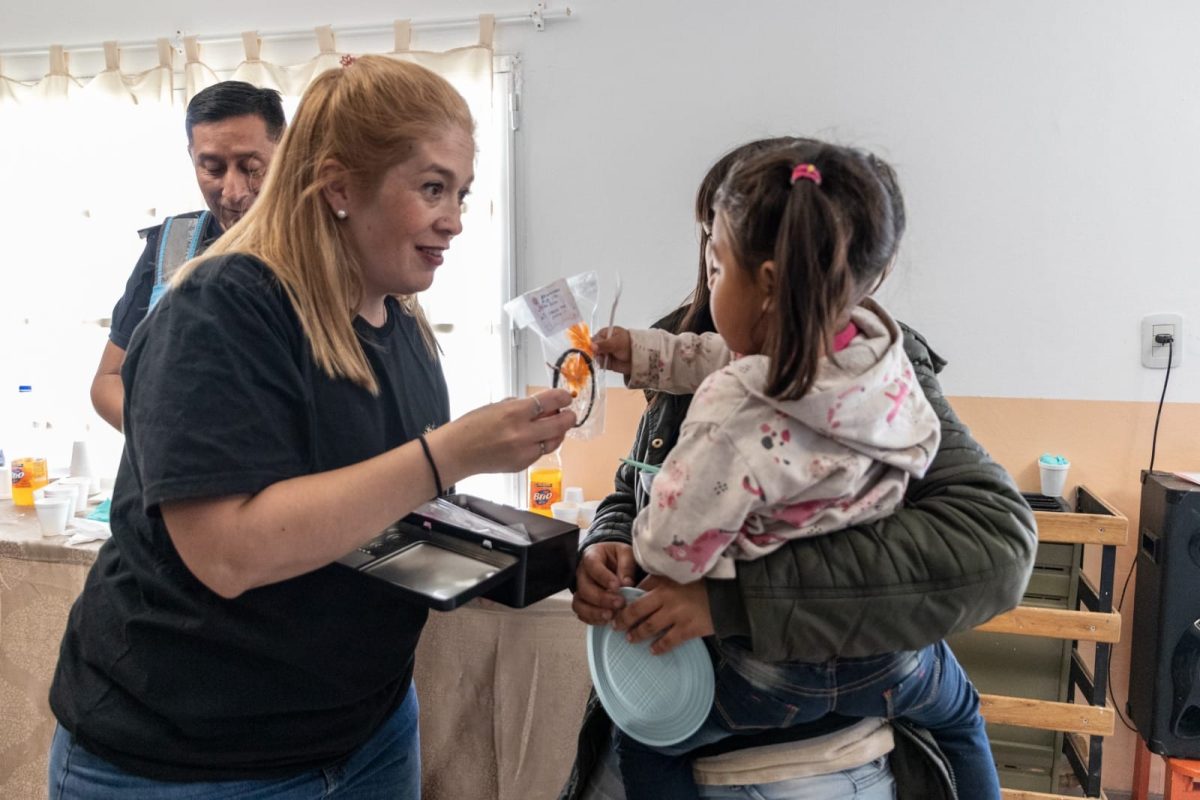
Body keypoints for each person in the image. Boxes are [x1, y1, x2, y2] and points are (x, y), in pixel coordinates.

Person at [48, 55, 576, 799]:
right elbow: (227, 553)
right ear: (338, 186)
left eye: (461, 192)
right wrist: (450, 453)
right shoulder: (223, 307)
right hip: (192, 761)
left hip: (367, 732)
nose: (454, 219)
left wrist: (522, 561)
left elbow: (376, 513)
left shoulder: (403, 325)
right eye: (432, 188)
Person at [561, 139, 1037, 800]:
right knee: (959, 710)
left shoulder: (740, 401)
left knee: (648, 740)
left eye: (718, 248)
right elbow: (636, 472)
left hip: (769, 680)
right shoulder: (870, 353)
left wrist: (706, 587)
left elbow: (672, 535)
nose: (705, 258)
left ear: (765, 274)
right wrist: (607, 535)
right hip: (888, 672)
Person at [90, 80, 286, 430]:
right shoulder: (173, 243)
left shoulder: (326, 248)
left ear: (284, 149)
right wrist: (165, 437)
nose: (233, 192)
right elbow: (108, 379)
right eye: (211, 168)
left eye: (251, 167)